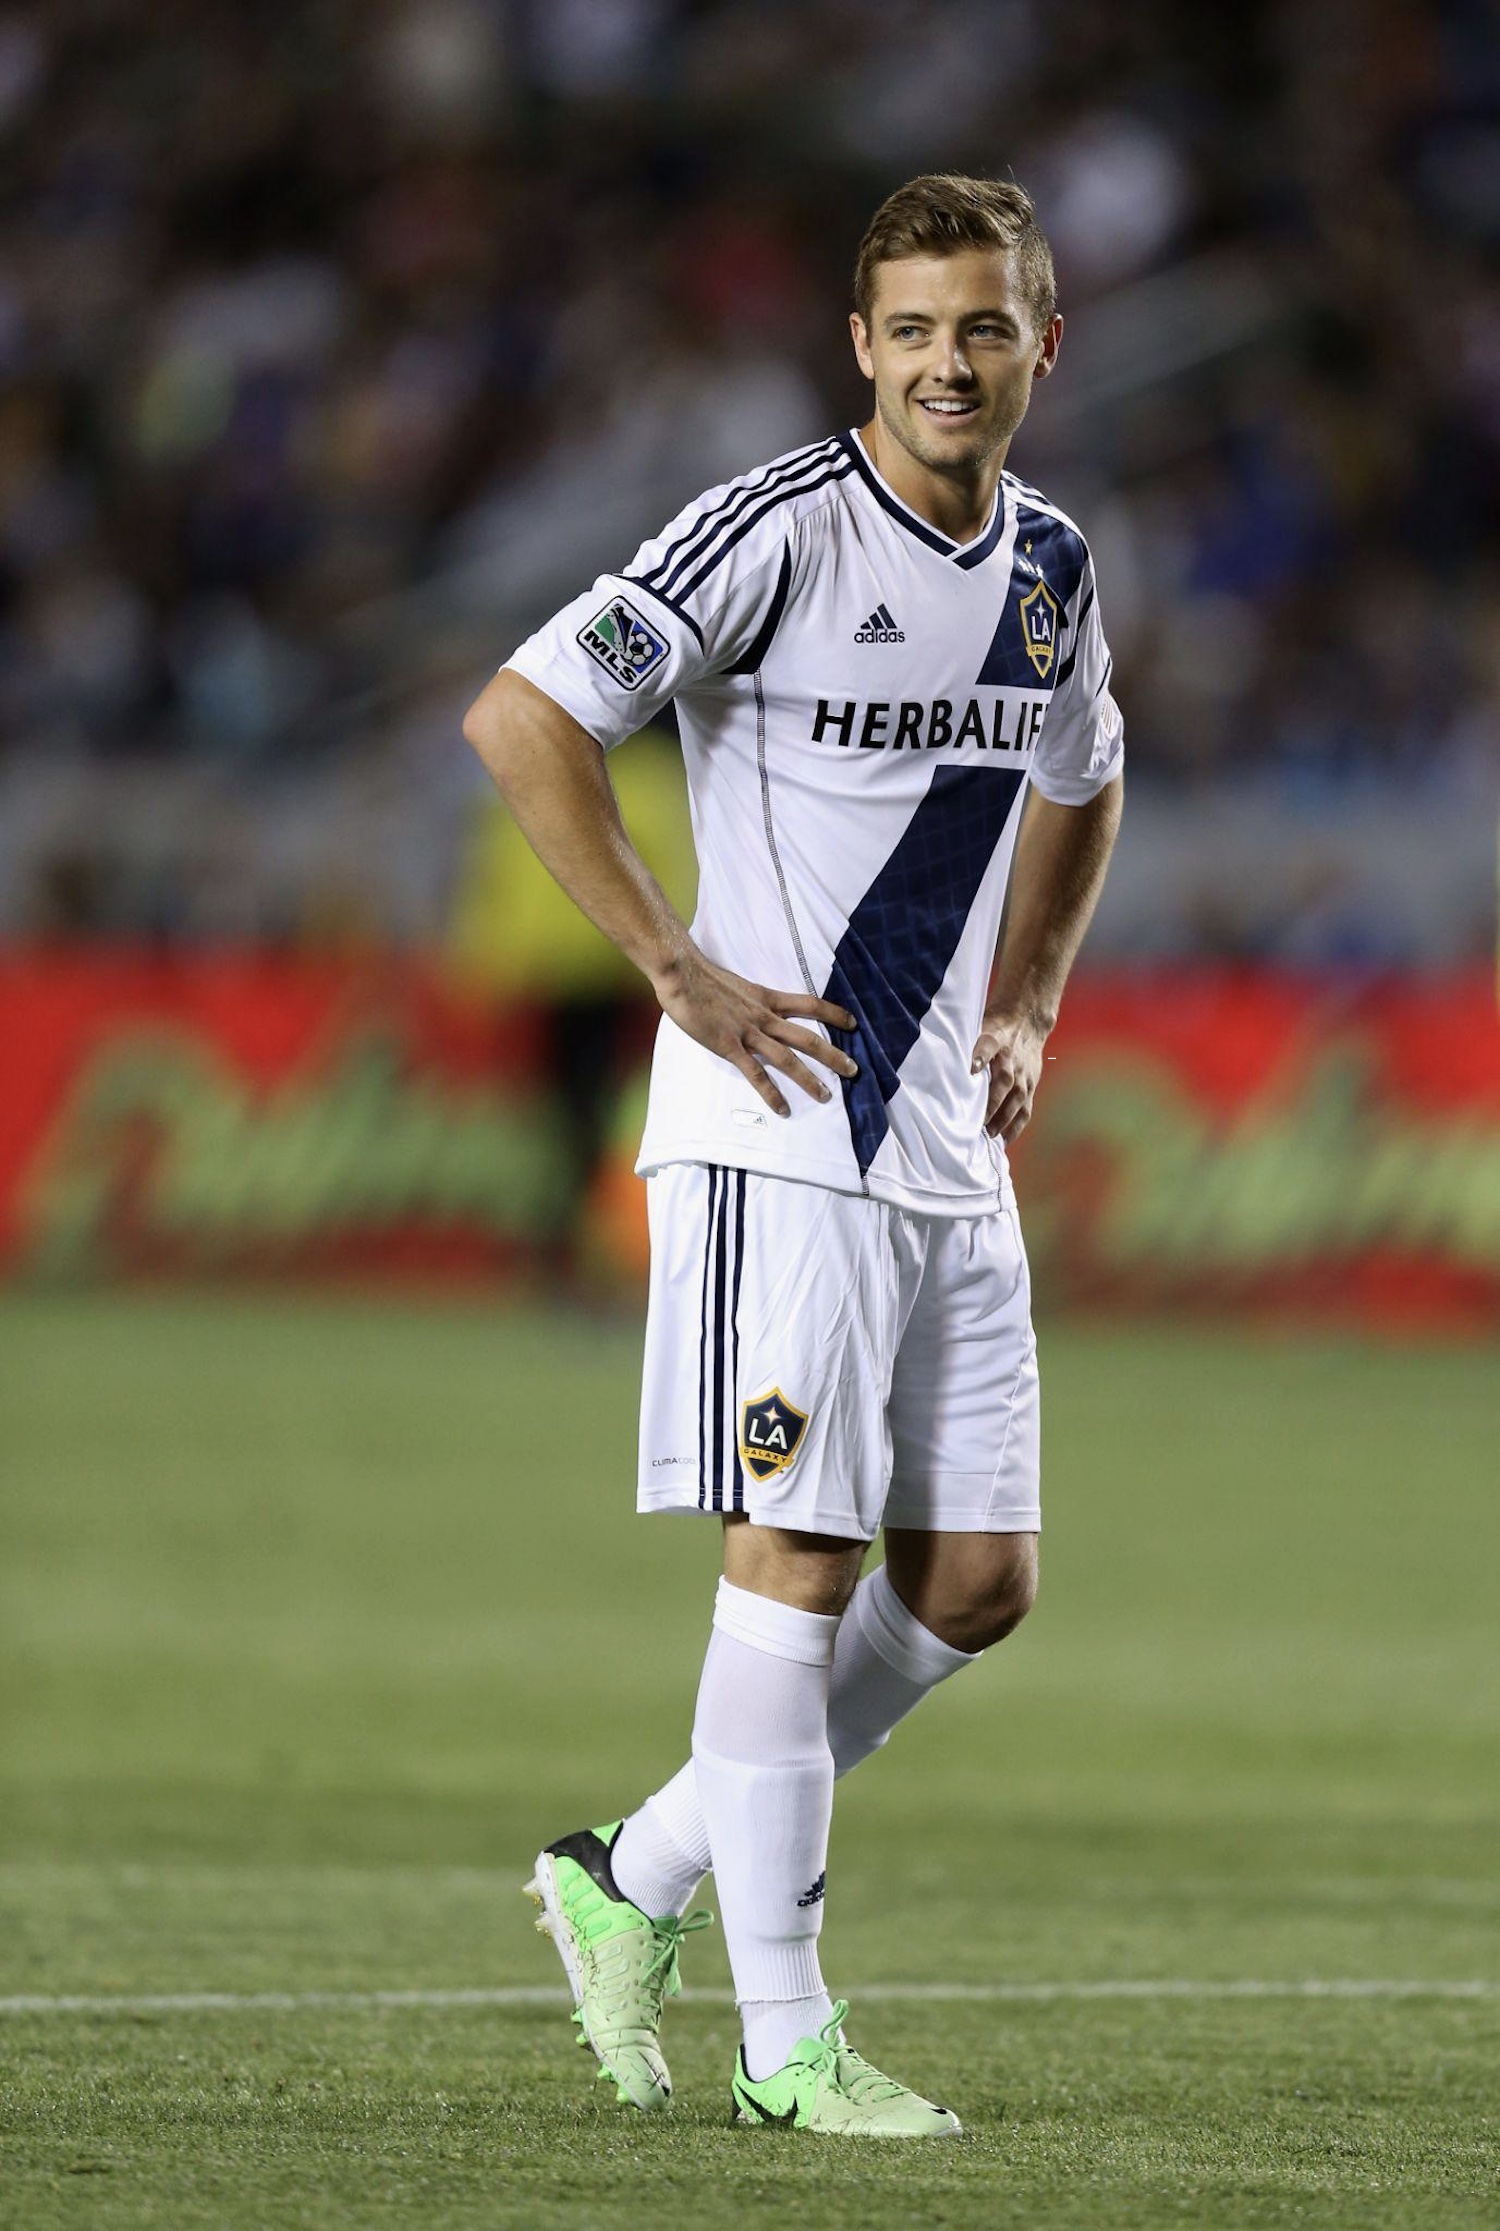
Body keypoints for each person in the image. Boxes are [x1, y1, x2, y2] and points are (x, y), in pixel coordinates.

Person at [463, 172, 1124, 2138]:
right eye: (914, 328)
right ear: (862, 346)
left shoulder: (1052, 571)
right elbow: (521, 716)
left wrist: (1029, 1001)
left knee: (985, 1584)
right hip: (777, 1139)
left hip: (946, 1152)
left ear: (1040, 347)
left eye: (984, 326)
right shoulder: (774, 528)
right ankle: (787, 2047)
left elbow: (1089, 779)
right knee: (801, 1563)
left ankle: (632, 1870)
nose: (948, 361)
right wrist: (672, 961)